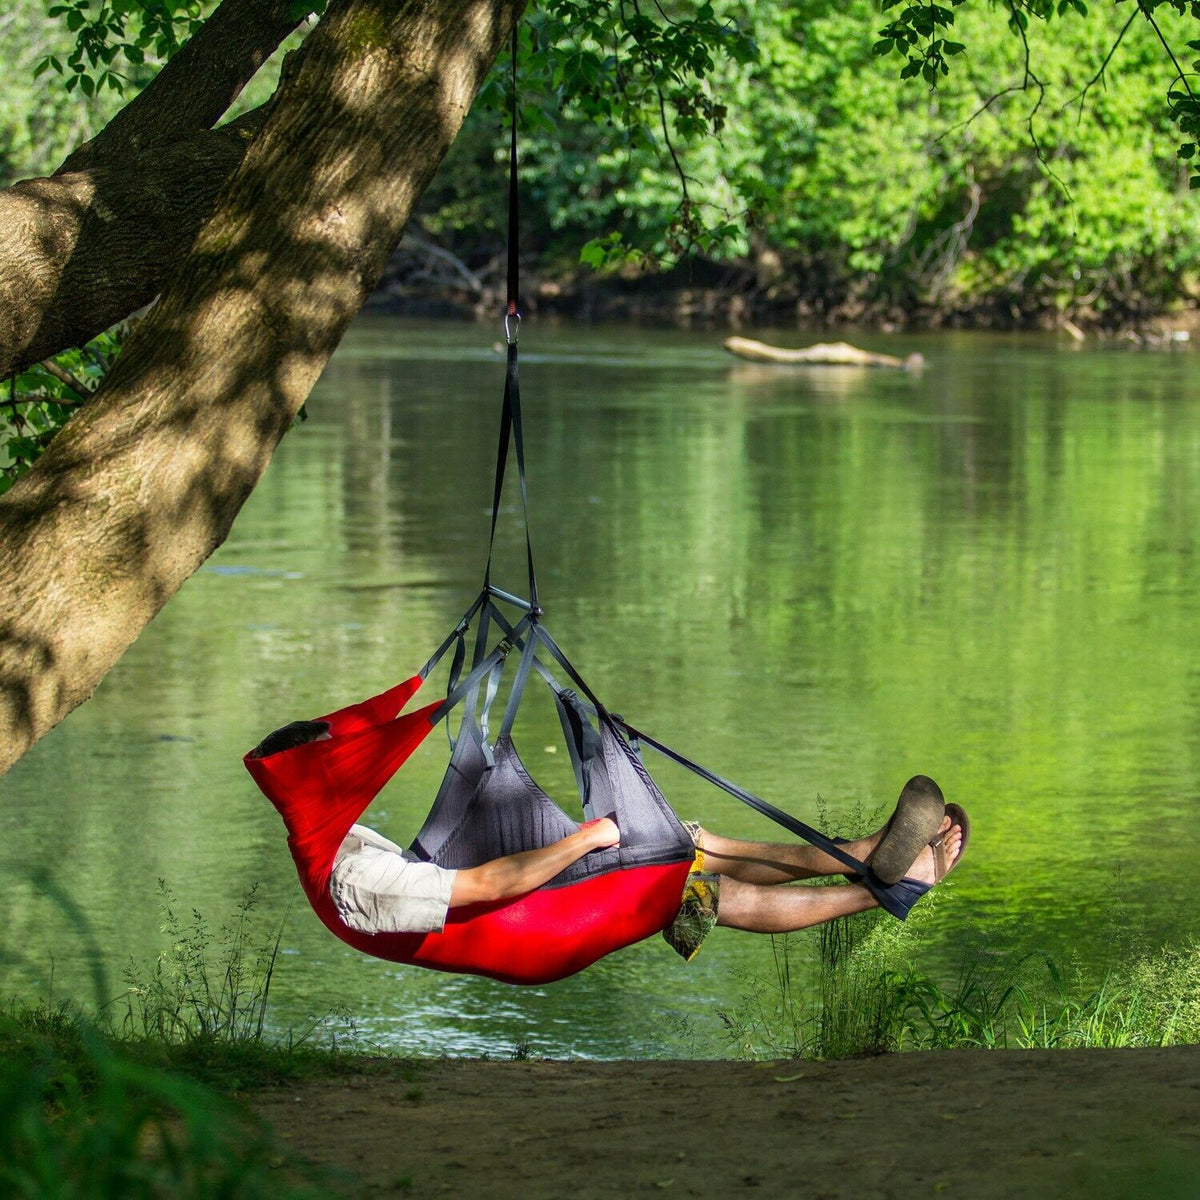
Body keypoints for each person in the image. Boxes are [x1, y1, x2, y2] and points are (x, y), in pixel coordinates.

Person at [250, 721, 968, 961]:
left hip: (525, 914)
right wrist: (586, 839)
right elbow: (486, 887)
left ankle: (869, 856)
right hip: (530, 933)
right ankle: (889, 886)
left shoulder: (333, 841)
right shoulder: (350, 879)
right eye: (341, 763)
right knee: (683, 881)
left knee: (688, 851)